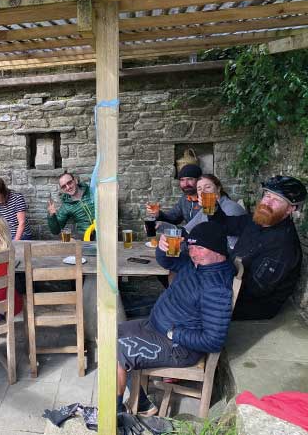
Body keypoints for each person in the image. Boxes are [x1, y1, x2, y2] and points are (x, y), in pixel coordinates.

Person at [117, 222, 235, 415]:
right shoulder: (196, 263)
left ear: (218, 250)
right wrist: (163, 249)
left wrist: (174, 333)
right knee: (109, 334)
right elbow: (168, 262)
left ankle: (115, 414)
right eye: (191, 247)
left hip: (178, 348)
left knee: (118, 350)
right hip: (155, 327)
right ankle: (145, 404)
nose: (193, 252)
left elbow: (213, 341)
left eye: (200, 248)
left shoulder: (216, 288)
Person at [207, 175, 306, 320]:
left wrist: (213, 284)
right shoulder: (259, 219)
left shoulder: (285, 246)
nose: (267, 202)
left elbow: (256, 289)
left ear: (290, 209)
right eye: (267, 195)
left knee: (194, 304)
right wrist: (213, 208)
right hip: (231, 280)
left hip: (254, 304)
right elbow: (225, 225)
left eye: (276, 200)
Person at [184, 174, 246, 251]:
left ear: (218, 188)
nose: (203, 191)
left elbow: (232, 245)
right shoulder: (207, 208)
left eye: (207, 187)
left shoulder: (231, 208)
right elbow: (187, 230)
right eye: (199, 189)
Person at [0, 175, 32, 240]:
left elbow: (22, 223)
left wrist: (15, 243)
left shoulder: (17, 198)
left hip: (20, 235)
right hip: (2, 236)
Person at [47, 172, 95, 236]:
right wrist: (52, 215)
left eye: (69, 183)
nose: (68, 187)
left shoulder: (92, 191)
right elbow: (56, 231)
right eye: (64, 186)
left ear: (75, 180)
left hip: (106, 231)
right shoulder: (66, 206)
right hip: (87, 239)